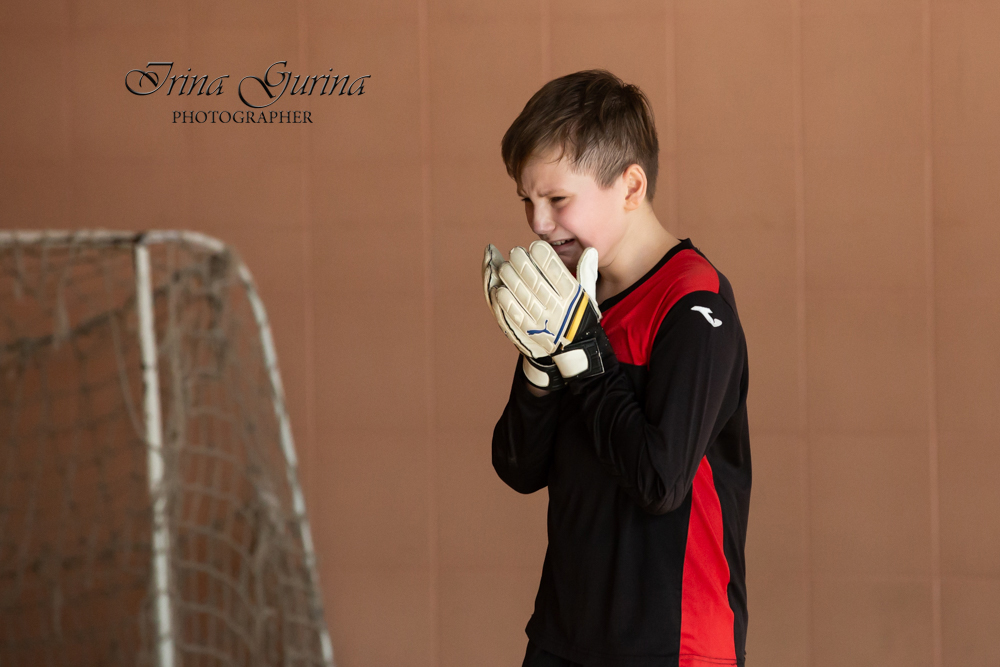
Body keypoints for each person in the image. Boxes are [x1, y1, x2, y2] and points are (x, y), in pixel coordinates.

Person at [482, 70, 751, 667]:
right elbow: (518, 467)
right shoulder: (572, 300)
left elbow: (659, 482)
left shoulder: (694, 303)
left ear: (630, 186)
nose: (538, 223)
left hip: (671, 645)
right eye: (527, 200)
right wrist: (539, 369)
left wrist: (582, 353)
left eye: (557, 200)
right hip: (564, 636)